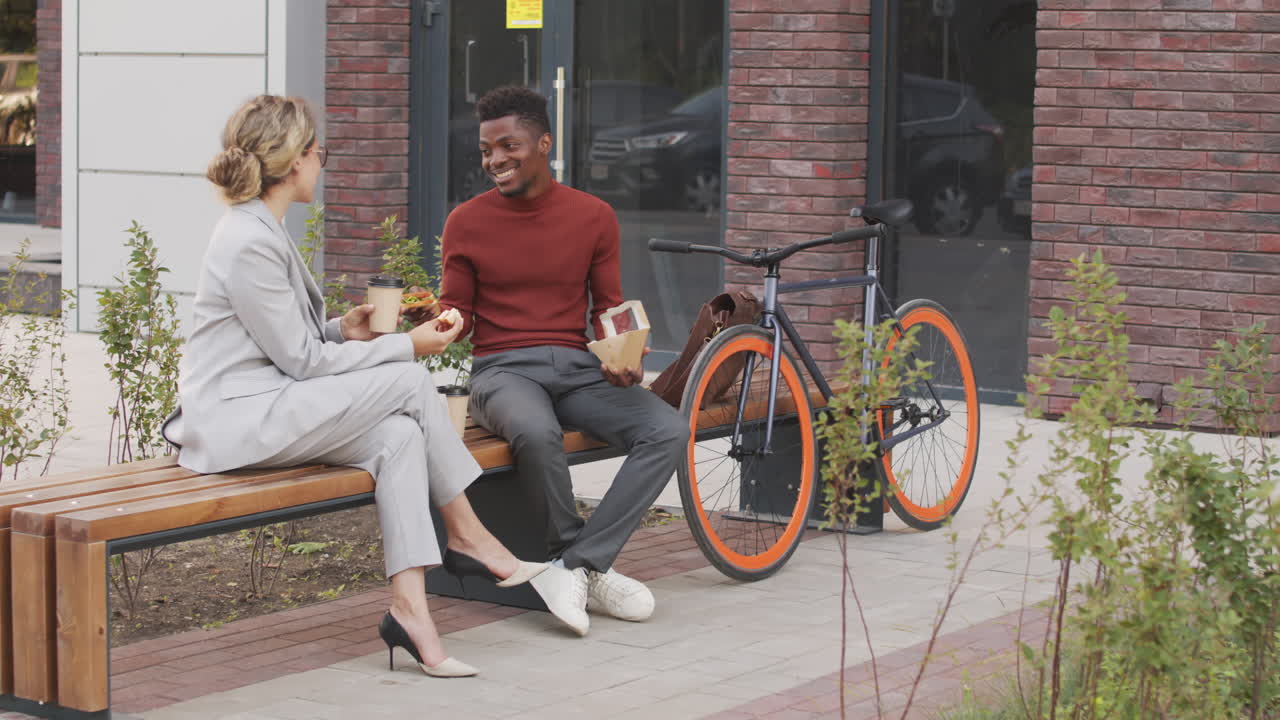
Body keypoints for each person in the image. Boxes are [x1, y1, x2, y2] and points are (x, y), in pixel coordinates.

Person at [161, 94, 546, 678]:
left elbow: (287, 340)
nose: (323, 164)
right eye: (320, 154)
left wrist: (346, 328)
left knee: (397, 437)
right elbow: (303, 363)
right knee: (408, 379)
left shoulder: (260, 227)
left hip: (269, 402)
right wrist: (405, 346)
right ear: (292, 162)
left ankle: (410, 610)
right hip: (237, 420)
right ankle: (469, 534)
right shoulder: (246, 239)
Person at [436, 85, 690, 636]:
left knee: (667, 429)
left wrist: (624, 354)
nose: (495, 161)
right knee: (534, 430)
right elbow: (459, 315)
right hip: (501, 371)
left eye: (508, 146)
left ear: (543, 142)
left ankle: (577, 566)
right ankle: (576, 560)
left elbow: (608, 310)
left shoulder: (593, 216)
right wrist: (434, 322)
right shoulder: (466, 222)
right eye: (485, 151)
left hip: (578, 369)